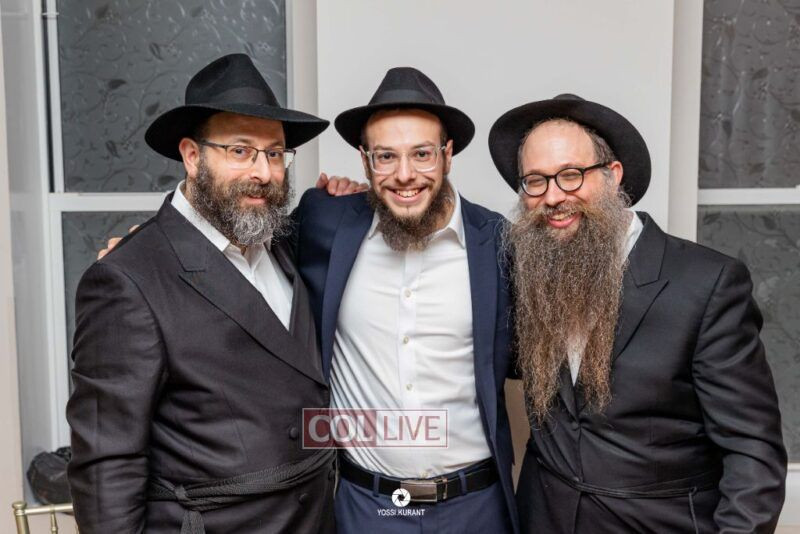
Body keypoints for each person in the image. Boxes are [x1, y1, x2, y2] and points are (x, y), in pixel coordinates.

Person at [489, 94, 787, 533]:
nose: (552, 196)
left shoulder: (707, 283)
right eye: (535, 181)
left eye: (571, 175)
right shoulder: (525, 271)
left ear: (613, 176)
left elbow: (752, 454)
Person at [67, 54, 338, 533]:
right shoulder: (126, 279)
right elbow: (107, 466)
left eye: (275, 153)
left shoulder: (281, 243)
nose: (263, 172)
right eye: (240, 150)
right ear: (192, 157)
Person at [292, 67, 518, 533]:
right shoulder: (324, 222)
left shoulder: (500, 243)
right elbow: (242, 247)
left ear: (447, 154)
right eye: (386, 157)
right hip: (366, 507)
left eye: (421, 154)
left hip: (475, 507)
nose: (404, 174)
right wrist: (148, 249)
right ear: (365, 162)